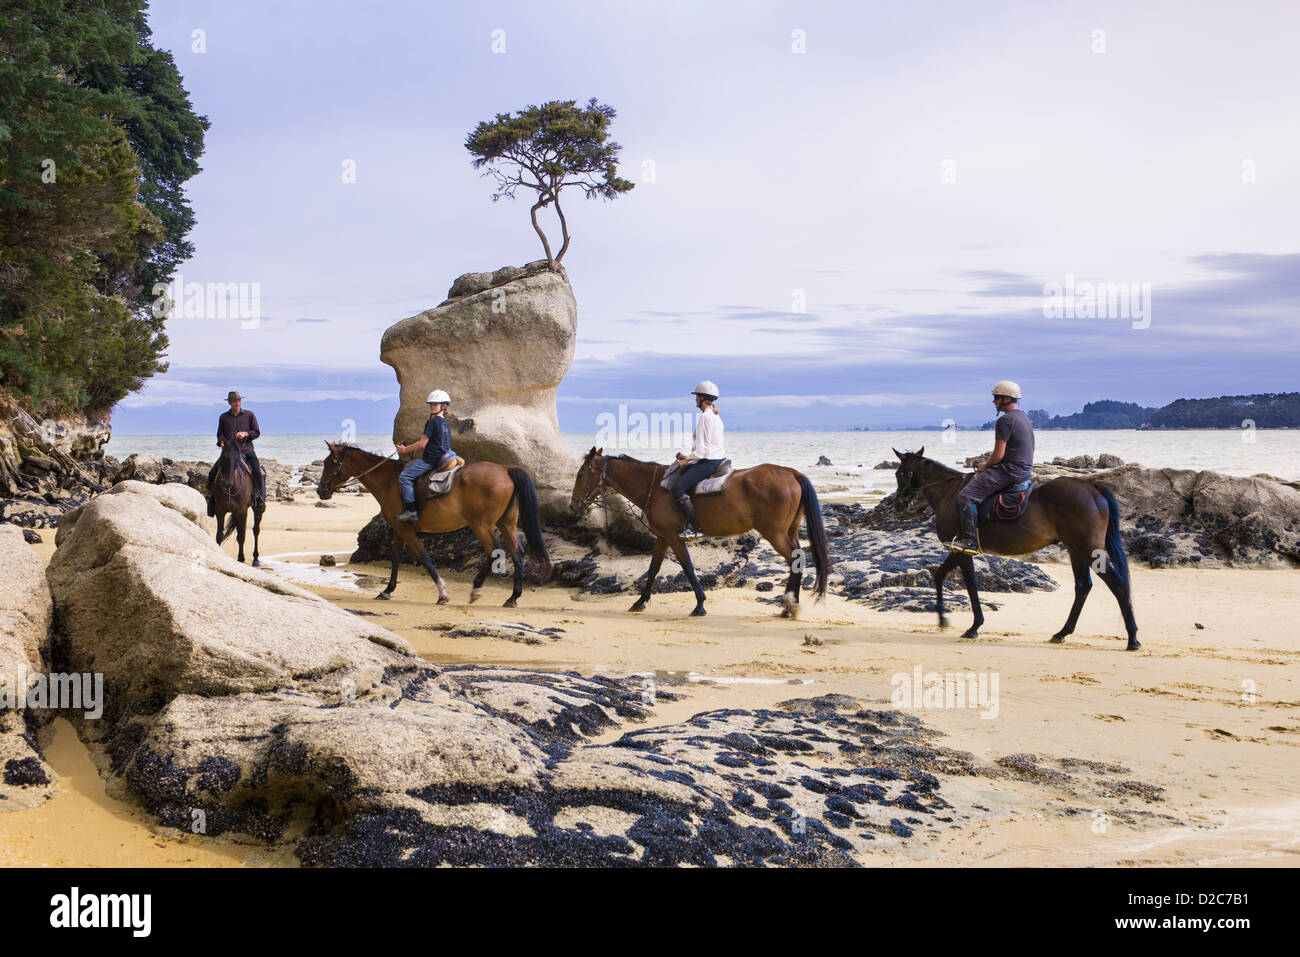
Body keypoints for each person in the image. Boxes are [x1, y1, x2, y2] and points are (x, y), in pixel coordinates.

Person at [950, 379, 1035, 553]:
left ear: (1006, 399)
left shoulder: (1005, 420)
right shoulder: (1024, 418)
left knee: (966, 496)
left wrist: (984, 466)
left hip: (1009, 471)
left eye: (996, 397)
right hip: (1024, 470)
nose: (994, 401)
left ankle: (969, 541)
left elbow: (998, 455)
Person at [672, 381, 726, 539]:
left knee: (678, 488)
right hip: (716, 459)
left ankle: (695, 528)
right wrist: (688, 457)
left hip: (708, 462)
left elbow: (702, 451)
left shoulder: (705, 417)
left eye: (696, 397)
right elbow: (707, 447)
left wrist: (684, 461)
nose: (695, 400)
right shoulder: (715, 417)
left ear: (702, 398)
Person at [394, 390, 456, 522]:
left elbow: (422, 444)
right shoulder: (446, 424)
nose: (432, 406)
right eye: (431, 404)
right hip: (444, 457)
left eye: (435, 404)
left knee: (405, 477)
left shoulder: (432, 422)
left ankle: (411, 511)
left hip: (431, 460)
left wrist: (404, 450)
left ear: (443, 406)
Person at [206, 391, 264, 516]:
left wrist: (246, 434)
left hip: (247, 450)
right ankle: (211, 501)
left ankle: (259, 499)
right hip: (228, 453)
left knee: (257, 471)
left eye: (238, 401)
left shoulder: (249, 415)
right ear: (229, 402)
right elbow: (219, 434)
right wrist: (221, 441)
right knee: (213, 472)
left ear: (241, 401)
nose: (237, 403)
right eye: (234, 401)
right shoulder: (223, 417)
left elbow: (256, 432)